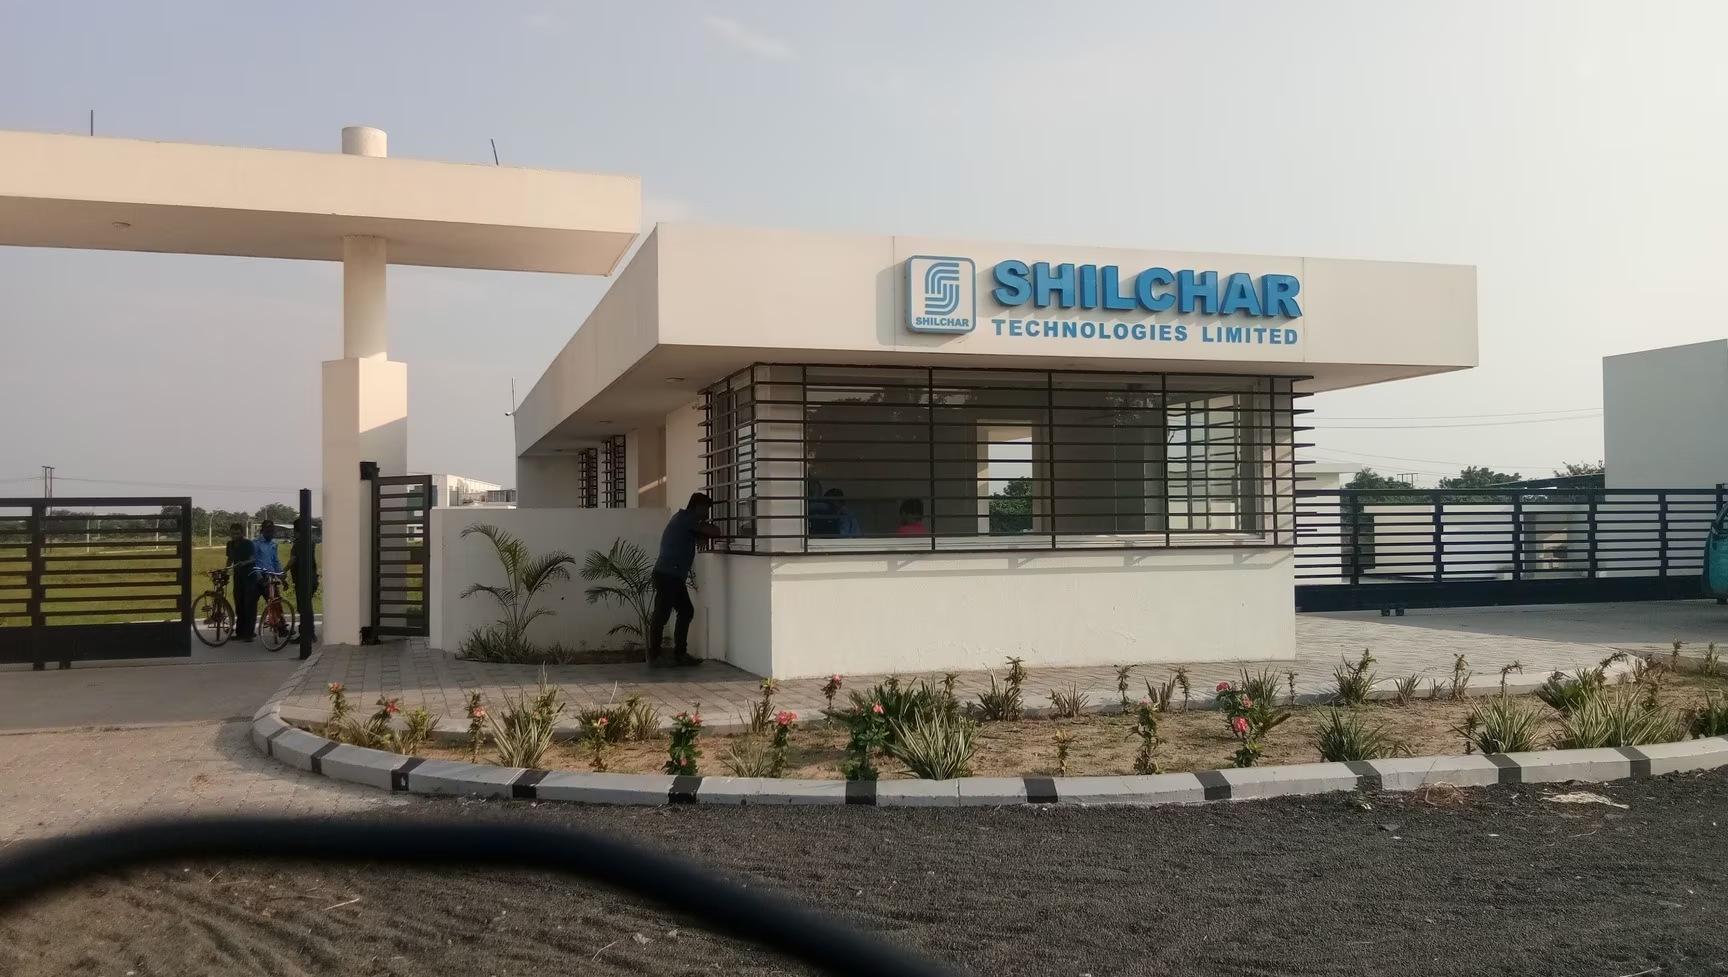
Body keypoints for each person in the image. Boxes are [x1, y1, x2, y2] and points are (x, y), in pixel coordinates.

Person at [649, 492, 722, 668]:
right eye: (706, 509)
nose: (708, 513)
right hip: (668, 575)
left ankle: (679, 654)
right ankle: (655, 656)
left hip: (672, 575)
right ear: (697, 507)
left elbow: (701, 533)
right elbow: (715, 531)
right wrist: (703, 532)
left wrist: (701, 535)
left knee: (686, 611)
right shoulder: (687, 519)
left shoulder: (683, 519)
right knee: (662, 615)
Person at [247, 520, 284, 647]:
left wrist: (281, 575)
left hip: (270, 576)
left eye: (272, 531)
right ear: (262, 531)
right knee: (251, 605)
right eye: (268, 531)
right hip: (258, 577)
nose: (270, 533)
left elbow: (275, 561)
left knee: (276, 601)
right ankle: (249, 632)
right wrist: (259, 578)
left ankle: (282, 627)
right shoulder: (255, 543)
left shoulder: (273, 544)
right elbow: (253, 562)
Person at [285, 515, 318, 642]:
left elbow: (293, 559)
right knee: (307, 607)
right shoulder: (310, 541)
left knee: (304, 608)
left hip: (303, 580)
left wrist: (283, 571)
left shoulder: (299, 543)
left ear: (295, 530)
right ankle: (310, 633)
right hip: (311, 578)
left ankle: (306, 635)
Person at [224, 523, 256, 640]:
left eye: (237, 534)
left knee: (249, 605)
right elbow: (230, 559)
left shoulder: (248, 544)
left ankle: (249, 633)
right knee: (239, 605)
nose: (235, 536)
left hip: (249, 577)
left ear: (242, 533)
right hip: (237, 577)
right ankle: (240, 633)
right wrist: (225, 571)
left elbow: (253, 559)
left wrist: (244, 563)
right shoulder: (230, 544)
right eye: (233, 533)